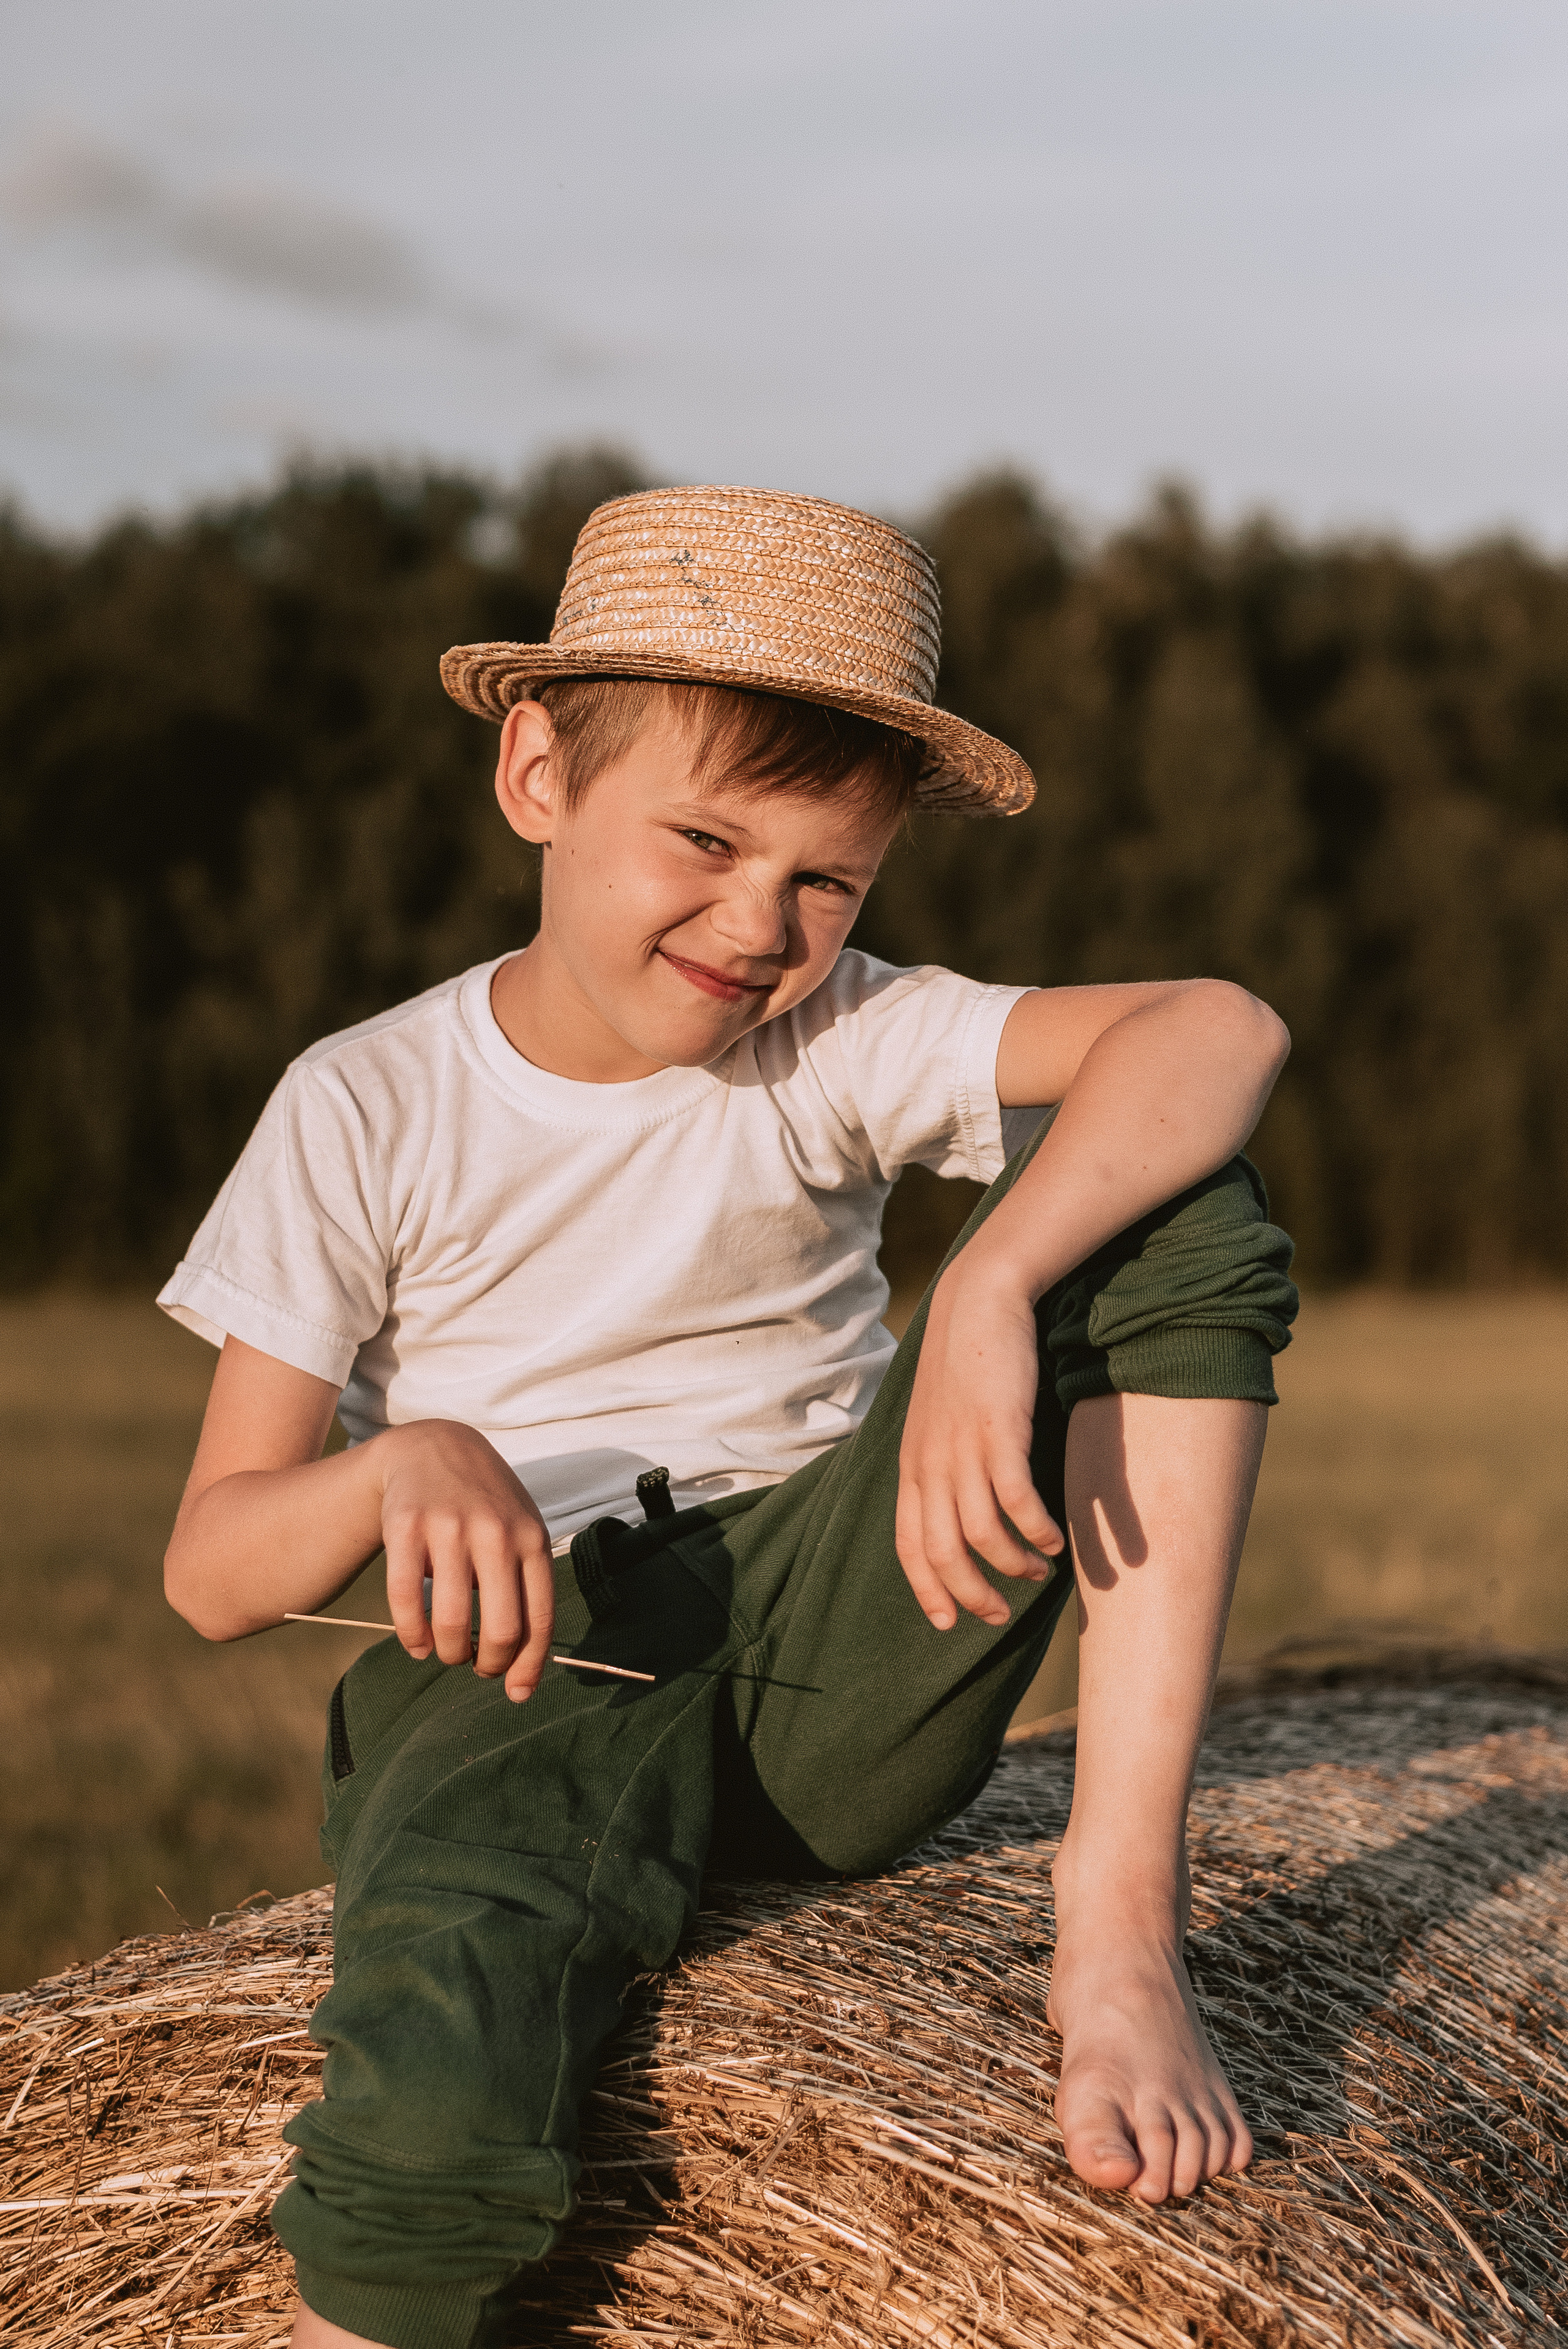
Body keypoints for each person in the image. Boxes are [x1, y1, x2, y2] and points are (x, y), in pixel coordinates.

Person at [161, 486, 1297, 2349]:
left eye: (826, 879)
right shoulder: (362, 1103)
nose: (760, 923)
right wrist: (399, 1467)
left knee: (1176, 1199)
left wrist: (990, 1287)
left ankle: (1118, 1924)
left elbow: (1221, 1029)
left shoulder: (831, 1037)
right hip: (524, 1668)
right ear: (537, 774)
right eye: (703, 838)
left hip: (827, 1655)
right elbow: (214, 1569)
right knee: (434, 2097)